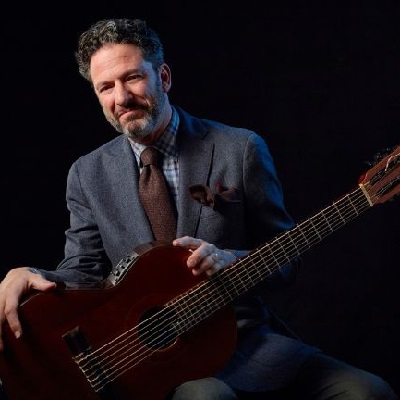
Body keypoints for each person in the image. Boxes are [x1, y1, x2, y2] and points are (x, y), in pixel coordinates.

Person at [0, 18, 397, 400]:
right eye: (105, 87)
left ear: (164, 77)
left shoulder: (239, 149)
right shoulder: (87, 174)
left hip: (244, 341)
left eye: (133, 77)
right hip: (150, 363)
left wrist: (230, 260)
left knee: (369, 391)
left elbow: (286, 259)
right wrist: (31, 274)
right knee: (207, 395)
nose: (121, 98)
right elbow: (83, 273)